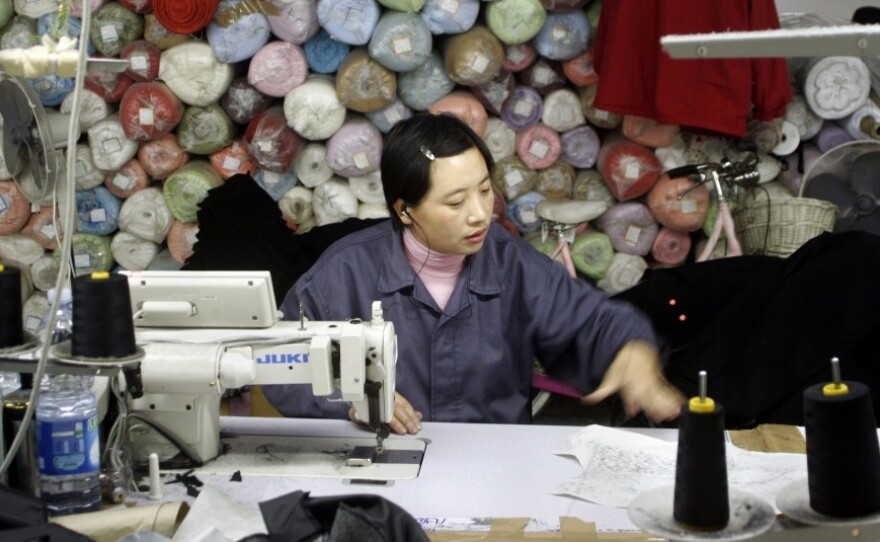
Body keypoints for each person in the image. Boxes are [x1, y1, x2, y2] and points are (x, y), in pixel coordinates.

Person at [263, 113, 683, 435]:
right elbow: (279, 360)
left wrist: (628, 349)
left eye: (484, 190)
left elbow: (588, 322)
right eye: (455, 202)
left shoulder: (512, 263)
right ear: (404, 209)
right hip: (384, 460)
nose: (481, 213)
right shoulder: (345, 272)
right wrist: (351, 400)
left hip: (493, 464)